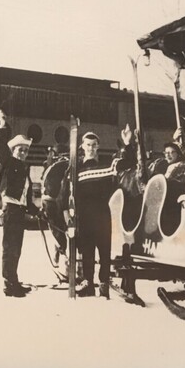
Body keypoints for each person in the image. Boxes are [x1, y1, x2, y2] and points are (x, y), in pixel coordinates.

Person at [75, 126, 134, 299]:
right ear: (82, 147)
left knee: (104, 252)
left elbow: (128, 163)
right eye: (88, 145)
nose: (91, 148)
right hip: (84, 216)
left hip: (102, 215)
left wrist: (127, 144)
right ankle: (87, 284)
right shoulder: (76, 169)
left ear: (98, 146)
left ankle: (103, 286)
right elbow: (69, 192)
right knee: (87, 251)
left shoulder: (108, 164)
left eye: (94, 145)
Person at [0, 108, 38, 298]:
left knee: (16, 249)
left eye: (26, 150)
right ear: (13, 150)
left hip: (19, 212)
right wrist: (3, 125)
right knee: (9, 248)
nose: (23, 152)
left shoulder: (23, 169)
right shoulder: (7, 162)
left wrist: (36, 210)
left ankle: (14, 280)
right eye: (21, 149)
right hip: (10, 211)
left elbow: (26, 197)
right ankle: (8, 284)